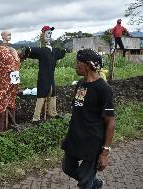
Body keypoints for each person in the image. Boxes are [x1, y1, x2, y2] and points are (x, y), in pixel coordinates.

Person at [61, 49, 116, 189]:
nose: (75, 65)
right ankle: (95, 184)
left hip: (92, 141)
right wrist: (68, 136)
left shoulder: (104, 89)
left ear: (88, 64)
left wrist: (105, 152)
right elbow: (78, 112)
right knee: (67, 168)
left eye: (78, 62)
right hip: (75, 138)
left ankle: (89, 183)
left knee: (85, 182)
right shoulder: (81, 84)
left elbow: (110, 121)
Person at [20, 25, 67, 122]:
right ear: (42, 35)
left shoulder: (54, 51)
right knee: (41, 96)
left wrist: (65, 50)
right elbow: (30, 50)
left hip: (51, 78)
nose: (49, 35)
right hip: (43, 78)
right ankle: (36, 118)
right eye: (47, 33)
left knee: (52, 94)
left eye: (50, 33)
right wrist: (25, 52)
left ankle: (52, 113)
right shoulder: (41, 51)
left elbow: (61, 52)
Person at [0, 31, 20, 132]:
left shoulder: (13, 50)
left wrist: (16, 56)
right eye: (7, 34)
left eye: (11, 34)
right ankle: (0, 129)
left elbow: (17, 64)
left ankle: (12, 125)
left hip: (14, 79)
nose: (9, 36)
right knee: (1, 102)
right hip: (3, 81)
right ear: (2, 36)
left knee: (12, 101)